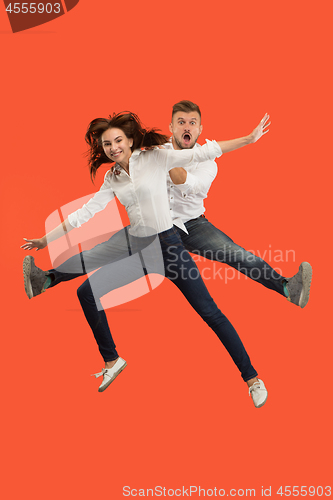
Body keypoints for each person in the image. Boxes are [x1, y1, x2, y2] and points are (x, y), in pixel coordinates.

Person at [22, 111, 271, 407]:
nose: (113, 147)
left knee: (210, 314)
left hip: (169, 246)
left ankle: (253, 379)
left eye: (118, 140)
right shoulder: (112, 177)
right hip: (141, 247)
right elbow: (85, 212)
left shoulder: (153, 157)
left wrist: (249, 138)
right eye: (107, 144)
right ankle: (112, 360)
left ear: (129, 140)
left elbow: (206, 152)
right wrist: (45, 239)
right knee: (86, 292)